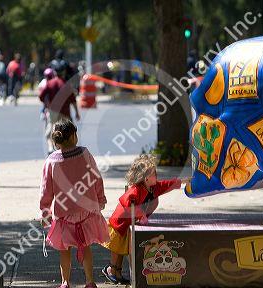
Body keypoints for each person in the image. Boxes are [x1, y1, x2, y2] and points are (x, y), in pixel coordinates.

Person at [39, 119, 109, 288]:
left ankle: (65, 282)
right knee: (85, 247)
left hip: (64, 214)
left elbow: (46, 190)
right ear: (73, 136)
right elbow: (96, 178)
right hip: (86, 210)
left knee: (64, 250)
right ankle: (90, 281)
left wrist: (45, 212)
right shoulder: (85, 154)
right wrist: (100, 199)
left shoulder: (51, 161)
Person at [102, 154, 190, 284]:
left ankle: (117, 273)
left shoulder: (153, 188)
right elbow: (126, 200)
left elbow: (166, 185)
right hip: (119, 224)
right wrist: (140, 214)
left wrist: (182, 181)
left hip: (127, 224)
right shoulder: (136, 190)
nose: (157, 175)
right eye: (154, 174)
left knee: (121, 250)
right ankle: (111, 269)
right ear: (146, 178)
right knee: (117, 250)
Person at [39, 63, 80, 154]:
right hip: (65, 112)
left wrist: (47, 104)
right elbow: (73, 100)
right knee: (67, 131)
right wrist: (77, 112)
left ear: (55, 72)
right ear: (64, 72)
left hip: (53, 111)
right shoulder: (67, 85)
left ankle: (50, 148)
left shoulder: (49, 83)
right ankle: (66, 150)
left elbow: (41, 96)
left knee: (51, 129)